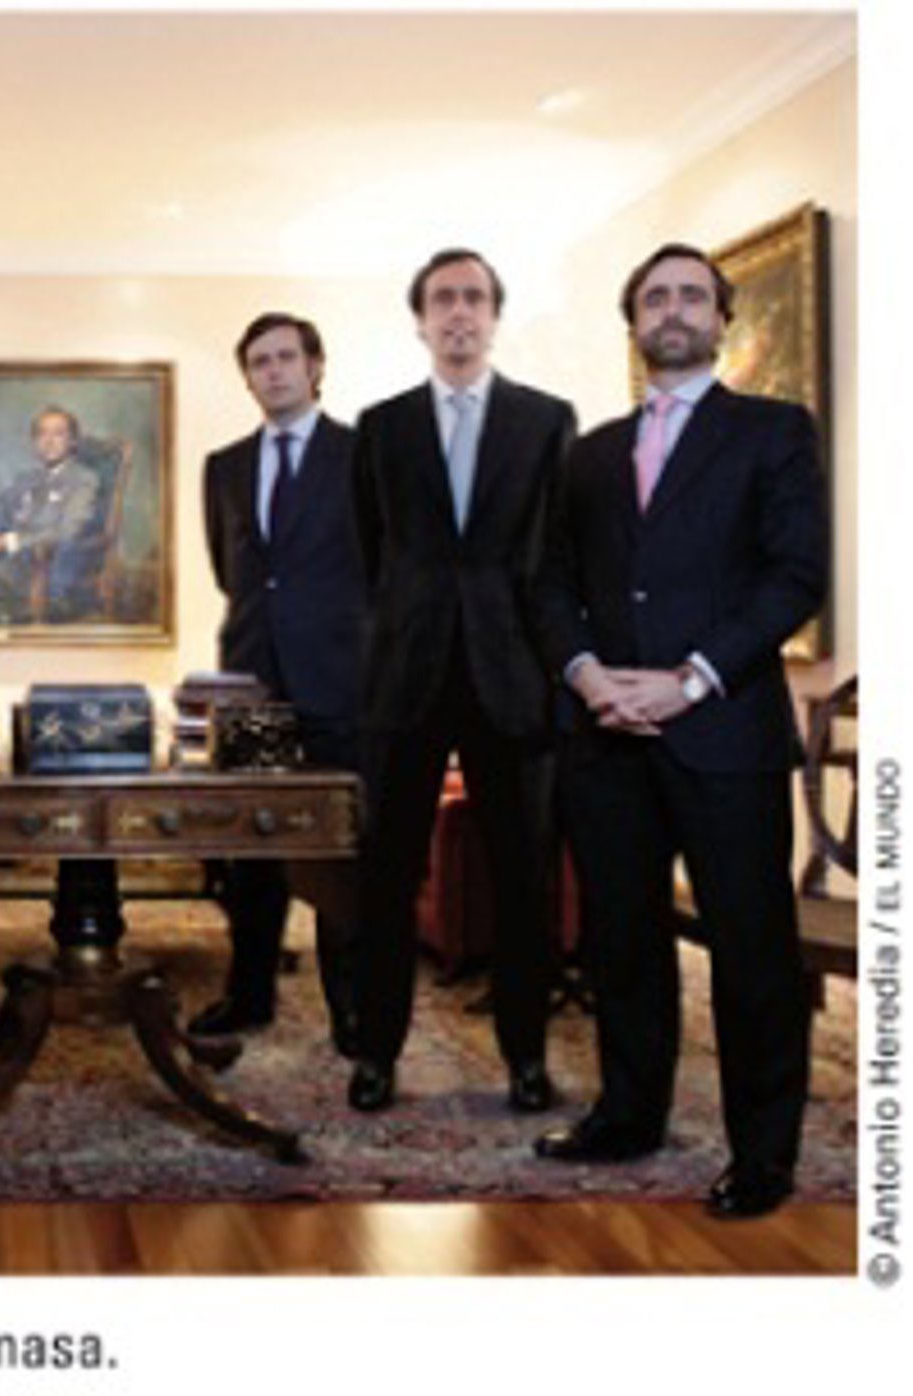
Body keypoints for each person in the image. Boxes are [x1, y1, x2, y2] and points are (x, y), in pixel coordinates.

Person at [532, 244, 828, 1220]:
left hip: (724, 733)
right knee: (621, 941)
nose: (673, 310)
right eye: (655, 297)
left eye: (692, 296)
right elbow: (550, 584)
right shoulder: (588, 454)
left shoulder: (774, 431)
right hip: (605, 735)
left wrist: (690, 680)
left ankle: (764, 1154)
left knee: (752, 950)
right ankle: (629, 1116)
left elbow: (795, 575)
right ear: (634, 323)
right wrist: (586, 675)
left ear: (721, 318)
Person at [346, 248, 576, 1115]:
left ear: (494, 316)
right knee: (385, 876)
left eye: (474, 297)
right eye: (443, 299)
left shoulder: (546, 420)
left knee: (523, 880)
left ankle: (526, 1058)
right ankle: (376, 1055)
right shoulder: (381, 427)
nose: (458, 312)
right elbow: (372, 554)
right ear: (420, 321)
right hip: (405, 678)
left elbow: (558, 551)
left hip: (512, 678)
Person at [196, 312, 365, 1051]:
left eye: (285, 357)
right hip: (250, 682)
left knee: (340, 854)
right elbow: (229, 569)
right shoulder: (225, 466)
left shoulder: (362, 456)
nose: (273, 371)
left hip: (342, 681)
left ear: (315, 366)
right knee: (249, 851)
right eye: (259, 362)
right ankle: (248, 996)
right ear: (248, 377)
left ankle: (353, 1011)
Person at [0, 406, 102, 622]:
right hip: (10, 563)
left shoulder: (83, 480)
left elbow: (68, 531)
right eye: (42, 434)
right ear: (34, 443)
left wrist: (7, 541)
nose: (49, 441)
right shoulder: (26, 479)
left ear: (73, 442)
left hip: (49, 567)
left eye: (58, 434)